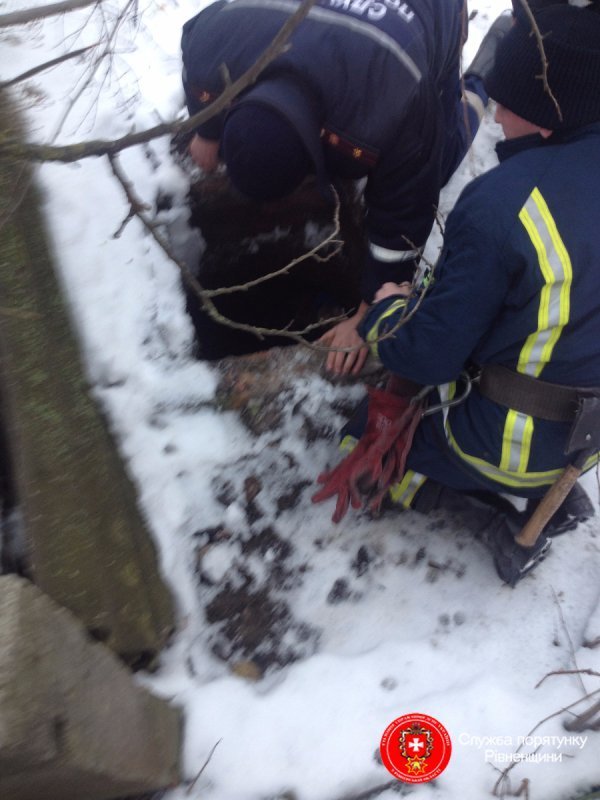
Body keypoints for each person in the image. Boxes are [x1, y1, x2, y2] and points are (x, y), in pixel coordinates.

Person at [313, 0, 600, 586]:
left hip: (514, 441)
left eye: (505, 102)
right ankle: (549, 486)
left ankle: (494, 506)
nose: (493, 113)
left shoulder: (504, 205)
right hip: (589, 435)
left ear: (547, 118)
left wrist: (388, 309)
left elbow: (425, 354)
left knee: (359, 428)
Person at [181, 0, 512, 374]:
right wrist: (206, 128)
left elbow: (405, 211)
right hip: (350, 39)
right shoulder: (217, 38)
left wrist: (370, 310)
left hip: (430, 13)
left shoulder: (398, 91)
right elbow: (194, 50)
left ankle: (485, 71)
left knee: (441, 154)